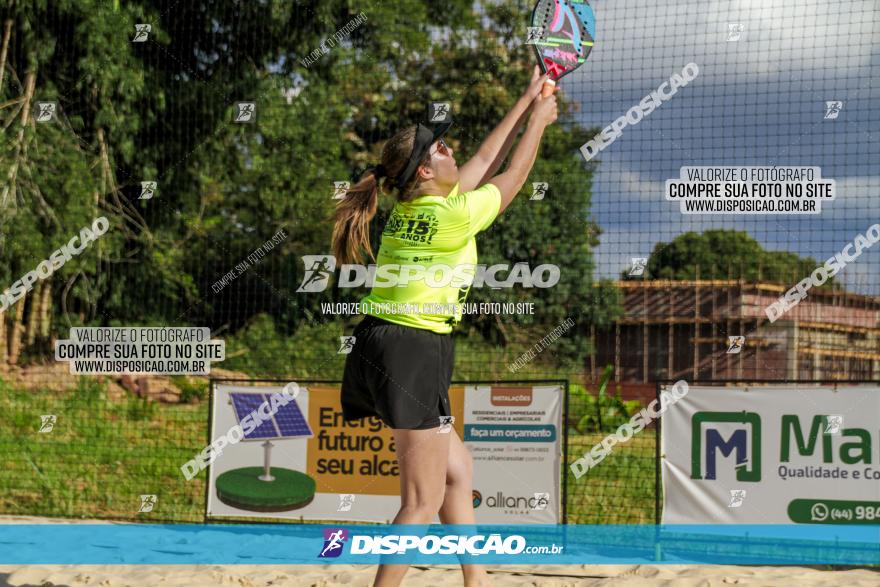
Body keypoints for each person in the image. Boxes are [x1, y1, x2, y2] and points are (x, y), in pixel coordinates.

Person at [331, 66, 558, 587]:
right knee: (420, 503)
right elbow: (512, 177)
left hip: (384, 343)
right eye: (440, 150)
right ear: (426, 174)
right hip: (412, 349)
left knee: (457, 470)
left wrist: (527, 99)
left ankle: (476, 582)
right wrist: (541, 122)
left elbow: (484, 159)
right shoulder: (449, 218)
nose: (451, 151)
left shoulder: (417, 208)